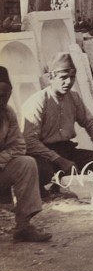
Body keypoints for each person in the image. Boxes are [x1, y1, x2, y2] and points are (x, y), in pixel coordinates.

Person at [21, 52, 93, 198]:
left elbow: (90, 122)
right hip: (41, 153)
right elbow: (29, 141)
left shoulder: (74, 98)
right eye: (63, 77)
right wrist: (59, 160)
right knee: (42, 170)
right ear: (51, 78)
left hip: (67, 149)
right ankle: (47, 186)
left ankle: (65, 181)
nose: (68, 82)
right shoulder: (37, 101)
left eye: (72, 77)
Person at [0, 66, 51, 242]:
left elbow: (19, 146)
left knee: (26, 163)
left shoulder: (8, 113)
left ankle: (23, 227)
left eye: (6, 94)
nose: (2, 99)